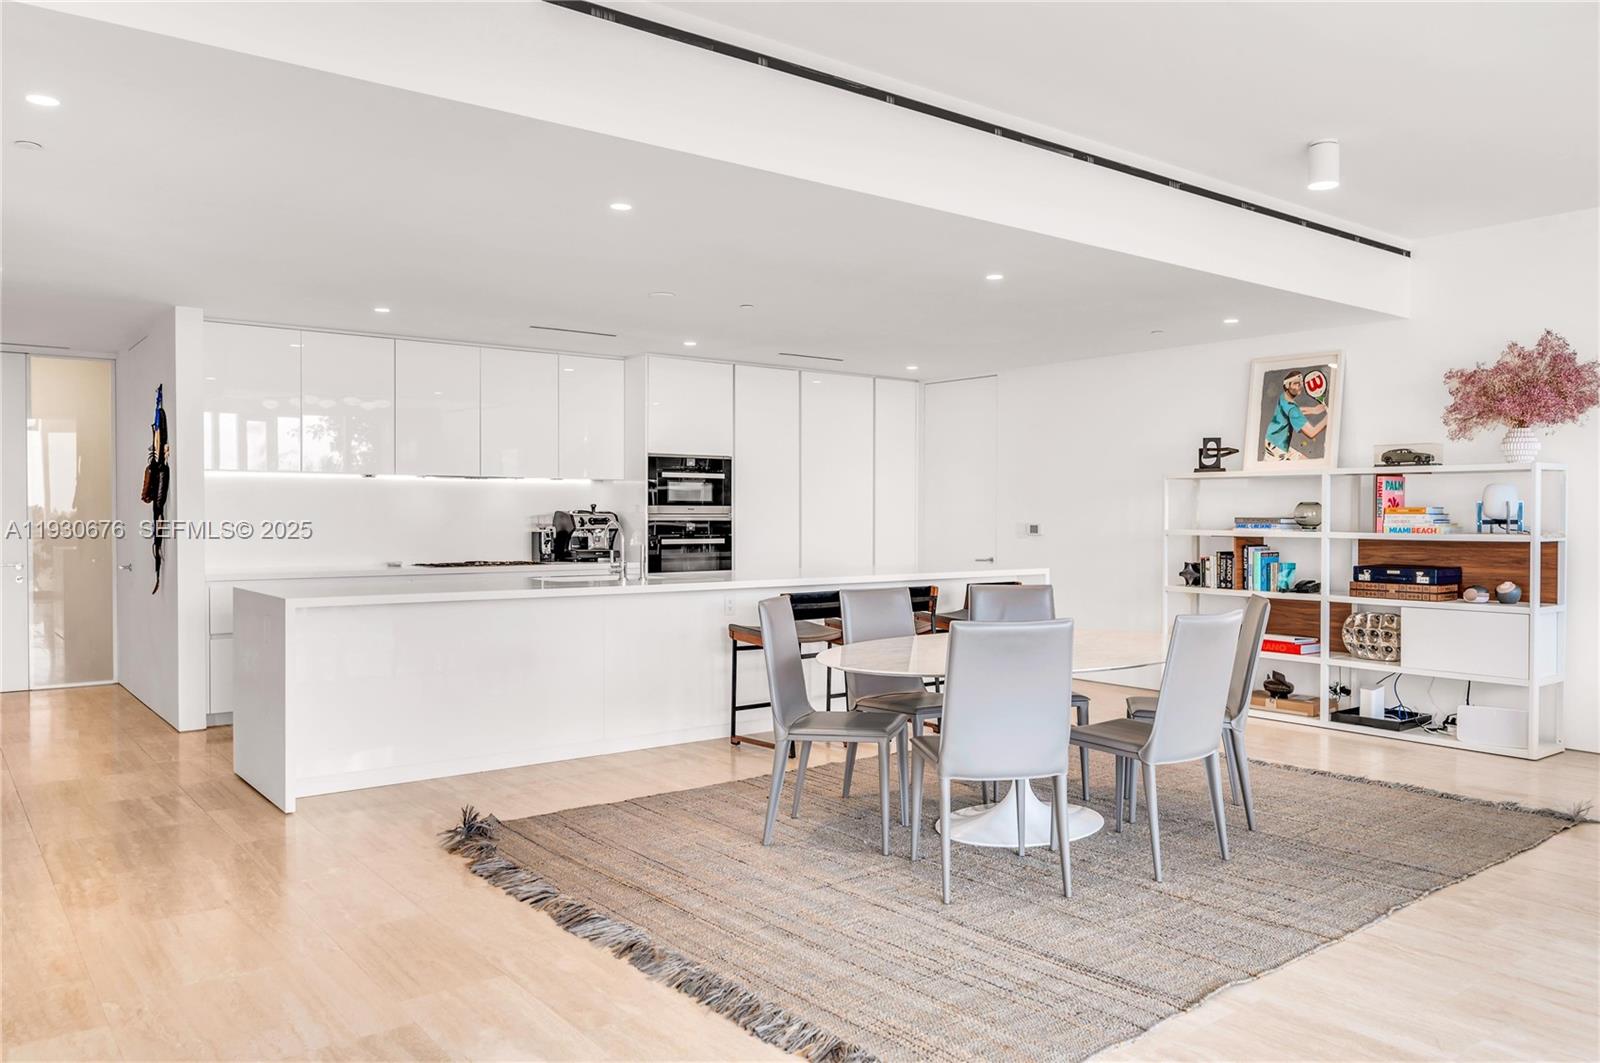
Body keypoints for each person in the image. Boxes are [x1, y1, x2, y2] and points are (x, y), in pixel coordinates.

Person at [1263, 370, 1327, 460]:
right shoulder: (1292, 409)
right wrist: (1329, 418)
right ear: (1287, 385)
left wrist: (1313, 410)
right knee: (1309, 465)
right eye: (1296, 384)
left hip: (1271, 440)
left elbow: (1291, 413)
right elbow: (1312, 433)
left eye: (1300, 383)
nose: (1299, 386)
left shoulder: (1284, 397)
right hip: (1277, 447)